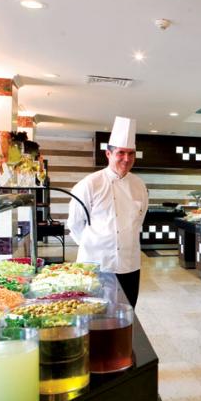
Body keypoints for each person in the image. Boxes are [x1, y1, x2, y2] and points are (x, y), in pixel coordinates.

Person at [67, 117, 149, 307]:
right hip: (96, 265)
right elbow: (75, 224)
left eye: (131, 153)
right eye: (121, 153)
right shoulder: (89, 184)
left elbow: (139, 220)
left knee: (127, 312)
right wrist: (95, 246)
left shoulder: (139, 185)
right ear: (108, 154)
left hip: (129, 264)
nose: (126, 159)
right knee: (94, 314)